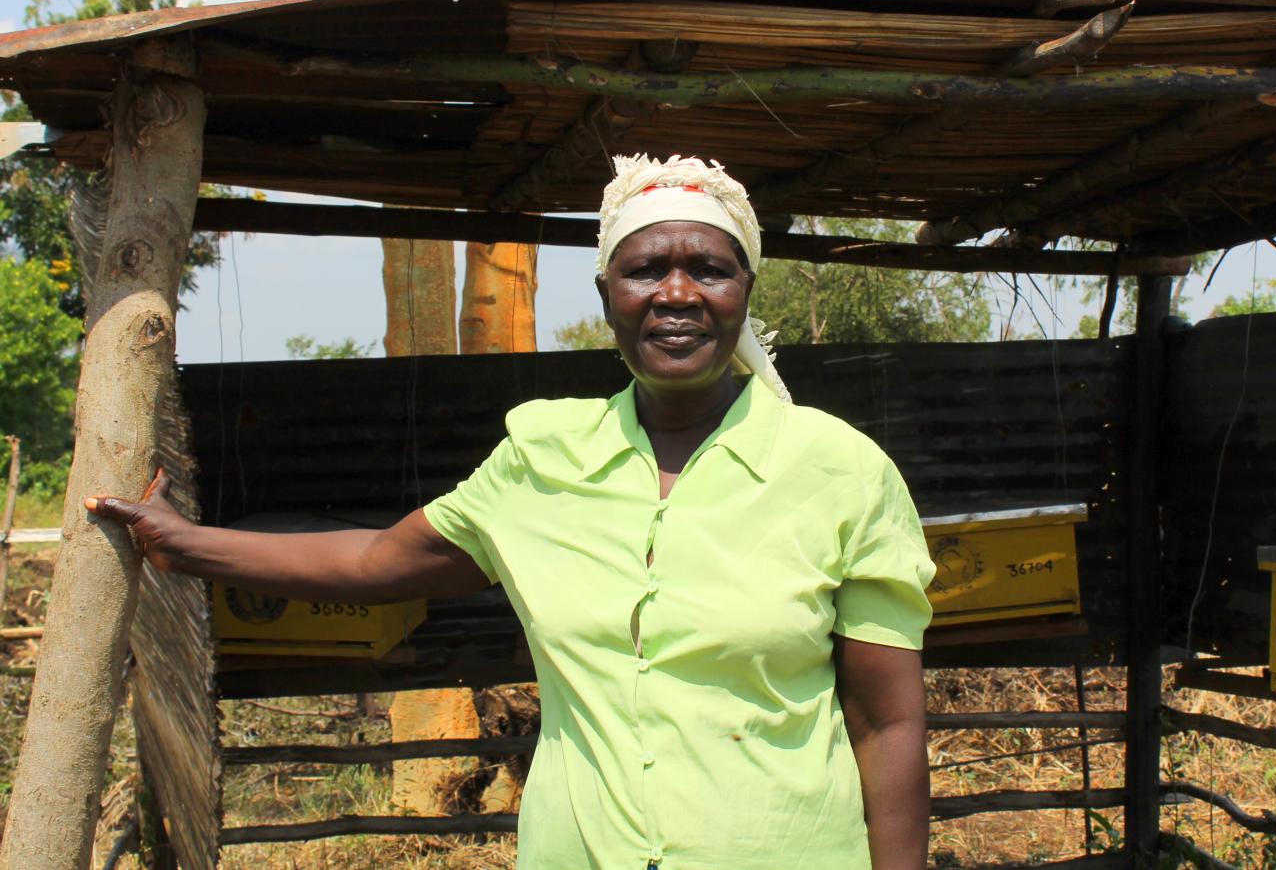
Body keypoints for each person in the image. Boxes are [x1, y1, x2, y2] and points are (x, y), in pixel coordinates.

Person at [88, 154, 937, 870]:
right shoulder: (543, 461)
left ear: (745, 288)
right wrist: (187, 543)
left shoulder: (839, 473)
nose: (677, 293)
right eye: (647, 270)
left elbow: (886, 718)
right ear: (608, 291)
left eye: (709, 269)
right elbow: (376, 564)